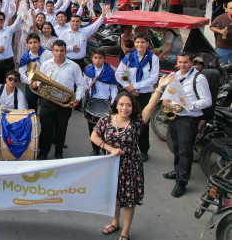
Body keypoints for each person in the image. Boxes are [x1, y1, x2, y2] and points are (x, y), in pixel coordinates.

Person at [91, 76, 173, 240]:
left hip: (130, 166)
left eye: (128, 105)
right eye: (121, 104)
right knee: (114, 197)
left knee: (128, 200)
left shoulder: (137, 121)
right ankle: (115, 222)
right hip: (110, 165)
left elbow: (150, 106)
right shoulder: (107, 118)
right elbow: (94, 136)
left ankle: (125, 232)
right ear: (116, 105)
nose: (124, 108)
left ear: (133, 106)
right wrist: (109, 148)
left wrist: (159, 88)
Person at [162, 52, 212, 197]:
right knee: (176, 147)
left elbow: (207, 101)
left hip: (188, 119)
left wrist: (187, 105)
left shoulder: (199, 78)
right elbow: (170, 92)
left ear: (192, 63)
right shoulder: (176, 75)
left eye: (185, 62)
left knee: (185, 151)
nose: (182, 65)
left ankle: (182, 182)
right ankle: (178, 171)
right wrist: (166, 100)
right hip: (174, 117)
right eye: (180, 62)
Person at [34, 40, 85, 160]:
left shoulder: (74, 66)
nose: (59, 53)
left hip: (65, 104)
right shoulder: (46, 64)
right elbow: (38, 80)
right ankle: (43, 152)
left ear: (66, 51)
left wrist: (77, 98)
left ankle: (59, 152)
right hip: (47, 102)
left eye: (62, 50)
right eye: (56, 50)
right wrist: (37, 84)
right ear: (52, 51)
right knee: (46, 129)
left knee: (61, 130)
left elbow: (81, 85)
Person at [115, 33, 160, 162]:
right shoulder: (129, 57)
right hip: (129, 94)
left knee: (143, 123)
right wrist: (129, 87)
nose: (140, 45)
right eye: (138, 42)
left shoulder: (153, 59)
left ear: (147, 44)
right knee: (126, 121)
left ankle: (144, 150)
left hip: (144, 95)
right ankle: (126, 148)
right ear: (135, 43)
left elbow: (153, 79)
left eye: (143, 42)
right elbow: (119, 74)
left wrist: (134, 86)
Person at [83, 48, 118, 156]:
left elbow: (113, 88)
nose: (98, 60)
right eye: (95, 58)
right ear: (92, 59)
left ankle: (105, 149)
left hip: (105, 102)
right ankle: (95, 149)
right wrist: (85, 89)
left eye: (100, 58)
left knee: (106, 128)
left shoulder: (109, 71)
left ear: (104, 59)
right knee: (92, 127)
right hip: (91, 101)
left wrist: (113, 102)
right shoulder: (88, 70)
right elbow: (84, 84)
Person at [59, 6, 110, 71]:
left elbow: (95, 26)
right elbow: (58, 47)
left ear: (80, 23)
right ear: (70, 23)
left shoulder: (84, 32)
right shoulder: (64, 33)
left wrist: (102, 15)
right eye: (73, 21)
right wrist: (71, 48)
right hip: (67, 61)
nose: (75, 23)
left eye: (77, 21)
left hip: (80, 62)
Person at [0, 9, 24, 85]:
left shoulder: (9, 30)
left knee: (10, 84)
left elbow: (18, 22)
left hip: (8, 62)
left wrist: (22, 8)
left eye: (1, 19)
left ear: (4, 20)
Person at [19, 33, 53, 111]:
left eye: (35, 42)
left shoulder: (47, 53)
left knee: (46, 107)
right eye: (30, 43)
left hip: (45, 84)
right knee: (31, 107)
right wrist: (30, 82)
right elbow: (21, 73)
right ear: (27, 44)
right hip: (31, 85)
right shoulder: (25, 57)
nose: (33, 45)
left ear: (39, 43)